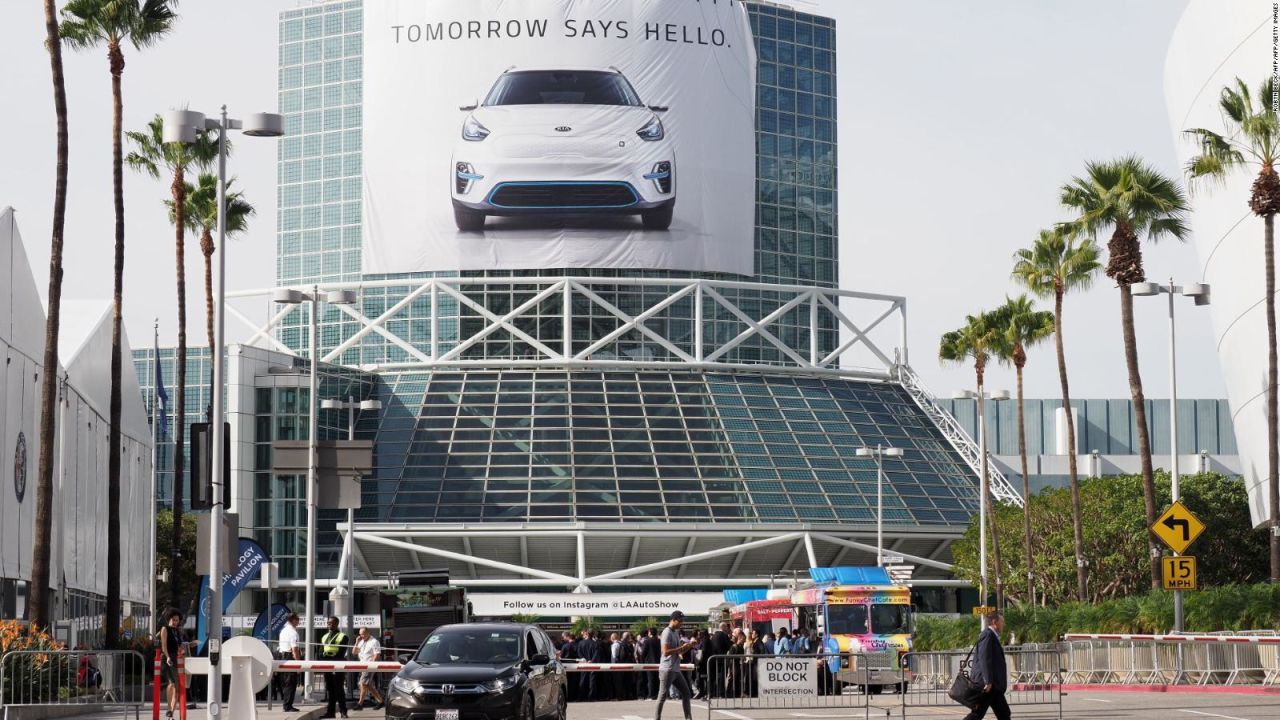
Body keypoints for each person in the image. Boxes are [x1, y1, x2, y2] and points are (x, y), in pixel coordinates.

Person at [964, 612, 1010, 720]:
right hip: (988, 685)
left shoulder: (991, 635)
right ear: (995, 622)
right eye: (1002, 621)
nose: (1004, 624)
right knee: (977, 714)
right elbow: (985, 659)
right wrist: (987, 681)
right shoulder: (988, 635)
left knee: (1004, 713)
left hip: (994, 685)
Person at [654, 611, 696, 720]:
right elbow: (665, 651)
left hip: (675, 669)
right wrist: (681, 648)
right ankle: (656, 718)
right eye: (680, 621)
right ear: (673, 620)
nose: (682, 623)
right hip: (667, 669)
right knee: (662, 696)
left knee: (686, 693)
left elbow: (679, 652)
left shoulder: (675, 632)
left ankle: (688, 718)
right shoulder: (667, 632)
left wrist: (689, 646)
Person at [319, 616, 350, 719]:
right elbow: (320, 652)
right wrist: (323, 661)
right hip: (327, 666)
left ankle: (343, 711)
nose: (330, 625)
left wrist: (329, 657)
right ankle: (330, 712)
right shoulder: (324, 637)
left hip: (338, 665)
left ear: (337, 624)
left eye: (332, 623)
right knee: (330, 689)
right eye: (328, 623)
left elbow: (341, 653)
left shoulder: (343, 636)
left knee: (339, 689)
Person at [157, 609, 183, 719]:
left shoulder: (177, 631)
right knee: (171, 683)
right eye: (174, 620)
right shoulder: (165, 629)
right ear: (169, 619)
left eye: (177, 620)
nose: (175, 622)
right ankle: (169, 709)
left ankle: (171, 713)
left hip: (175, 658)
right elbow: (163, 646)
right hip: (166, 658)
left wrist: (189, 645)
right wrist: (167, 657)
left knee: (177, 687)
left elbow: (179, 646)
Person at [353, 627, 385, 710]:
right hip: (362, 666)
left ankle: (360, 704)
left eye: (363, 634)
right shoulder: (361, 641)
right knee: (368, 685)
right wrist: (356, 642)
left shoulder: (374, 642)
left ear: (368, 632)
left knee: (362, 683)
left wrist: (372, 667)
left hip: (369, 666)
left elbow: (377, 655)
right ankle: (380, 701)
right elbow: (354, 652)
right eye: (360, 634)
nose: (361, 636)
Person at [277, 613, 302, 713]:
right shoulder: (292, 632)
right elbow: (294, 649)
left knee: (286, 682)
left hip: (282, 657)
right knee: (291, 683)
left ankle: (287, 704)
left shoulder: (283, 630)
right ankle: (287, 706)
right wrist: (298, 664)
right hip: (289, 656)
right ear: (293, 620)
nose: (299, 622)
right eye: (297, 619)